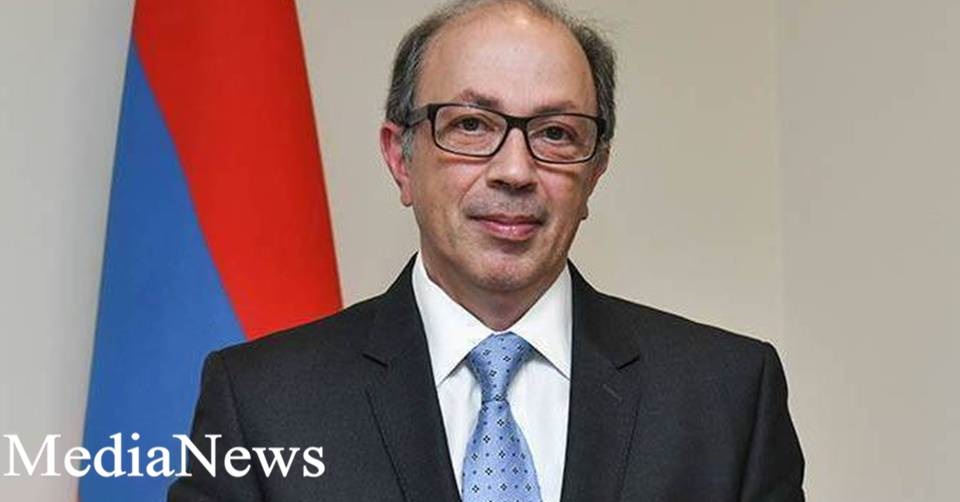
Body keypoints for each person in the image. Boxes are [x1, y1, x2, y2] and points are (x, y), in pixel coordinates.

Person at [169, 1, 805, 501]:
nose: (515, 171)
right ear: (400, 158)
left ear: (596, 172)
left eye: (555, 133)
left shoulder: (725, 398)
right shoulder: (261, 402)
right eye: (471, 125)